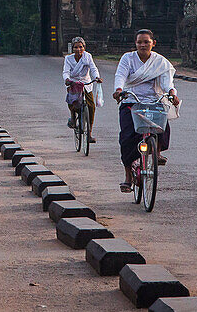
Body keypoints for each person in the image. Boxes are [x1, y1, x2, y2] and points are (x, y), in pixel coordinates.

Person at [113, 29, 179, 192]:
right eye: (139, 42)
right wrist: (119, 89)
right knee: (127, 138)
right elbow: (120, 75)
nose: (143, 45)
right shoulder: (127, 58)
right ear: (135, 44)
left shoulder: (160, 62)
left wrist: (171, 92)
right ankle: (128, 176)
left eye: (146, 42)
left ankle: (156, 153)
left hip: (152, 101)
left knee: (162, 126)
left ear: (153, 43)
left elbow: (166, 82)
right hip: (131, 100)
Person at [63, 36, 102, 143]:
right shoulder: (68, 59)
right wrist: (67, 79)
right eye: (76, 47)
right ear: (73, 48)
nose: (78, 49)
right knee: (72, 102)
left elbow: (93, 68)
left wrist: (97, 77)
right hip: (74, 83)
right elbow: (66, 71)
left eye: (80, 47)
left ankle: (89, 134)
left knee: (91, 107)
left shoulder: (87, 56)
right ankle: (72, 117)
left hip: (86, 83)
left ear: (84, 48)